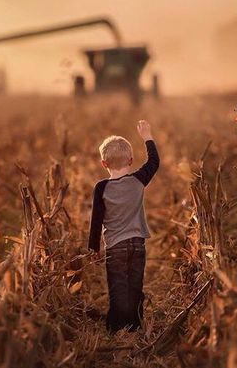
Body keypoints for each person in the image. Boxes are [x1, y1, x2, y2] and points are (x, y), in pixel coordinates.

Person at [88, 120, 160, 333]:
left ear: (104, 164)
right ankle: (136, 325)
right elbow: (154, 162)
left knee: (118, 287)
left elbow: (96, 219)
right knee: (135, 286)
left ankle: (115, 327)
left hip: (115, 247)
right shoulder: (139, 179)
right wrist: (147, 136)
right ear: (130, 159)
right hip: (137, 245)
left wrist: (93, 248)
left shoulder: (101, 187)